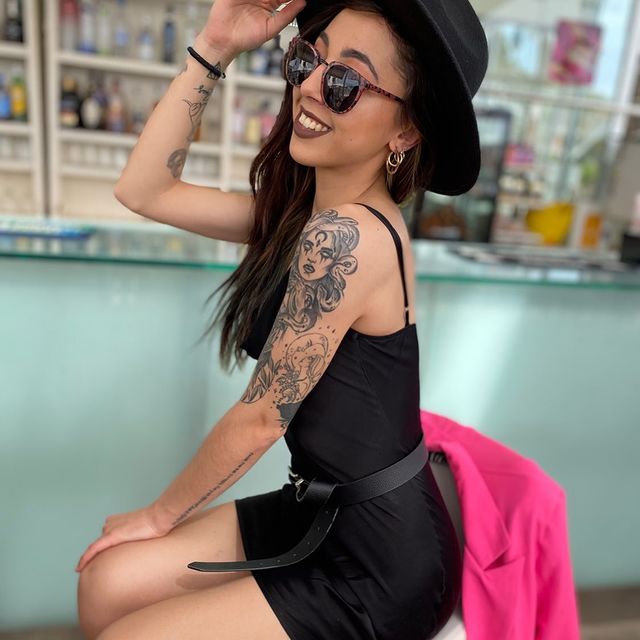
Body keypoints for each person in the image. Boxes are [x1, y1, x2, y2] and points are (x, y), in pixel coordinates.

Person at [76, 0, 488, 638]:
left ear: (405, 131)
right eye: (308, 60)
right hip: (317, 508)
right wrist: (215, 46)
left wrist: (159, 515)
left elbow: (262, 419)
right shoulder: (304, 218)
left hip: (381, 562)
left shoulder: (352, 237)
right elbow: (144, 190)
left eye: (346, 81)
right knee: (108, 583)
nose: (312, 87)